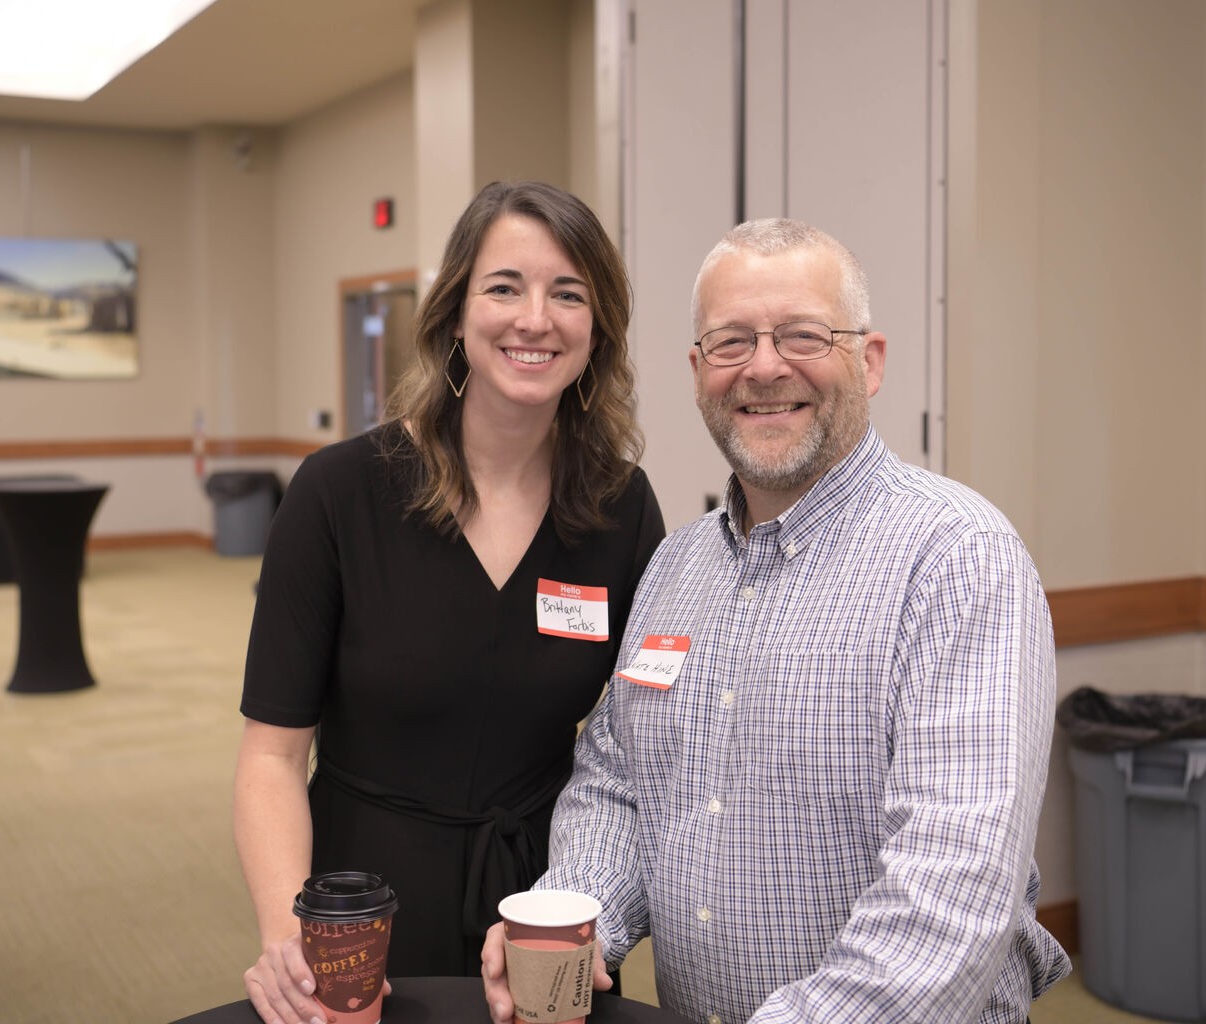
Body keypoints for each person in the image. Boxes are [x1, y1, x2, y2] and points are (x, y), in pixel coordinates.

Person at [482, 218, 1071, 1023]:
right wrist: (581, 918)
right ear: (698, 373)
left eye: (803, 335)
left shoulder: (957, 560)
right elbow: (619, 784)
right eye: (730, 342)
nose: (763, 367)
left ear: (870, 362)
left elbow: (952, 892)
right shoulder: (675, 568)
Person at [234, 180, 666, 1024]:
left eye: (568, 294)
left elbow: (647, 742)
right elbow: (271, 758)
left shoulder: (621, 507)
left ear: (597, 329)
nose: (534, 319)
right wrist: (292, 933)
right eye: (504, 286)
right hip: (362, 905)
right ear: (455, 315)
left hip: (540, 905)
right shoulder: (339, 493)